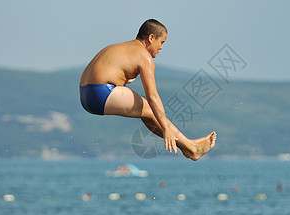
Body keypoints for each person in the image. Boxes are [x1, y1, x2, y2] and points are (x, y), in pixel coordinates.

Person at [79, 19, 216, 161]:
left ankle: (189, 147)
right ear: (151, 38)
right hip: (100, 94)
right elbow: (153, 97)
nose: (161, 48)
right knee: (150, 110)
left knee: (146, 113)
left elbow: (109, 72)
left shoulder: (119, 48)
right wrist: (166, 128)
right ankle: (191, 149)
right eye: (162, 42)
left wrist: (124, 80)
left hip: (85, 94)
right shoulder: (144, 57)